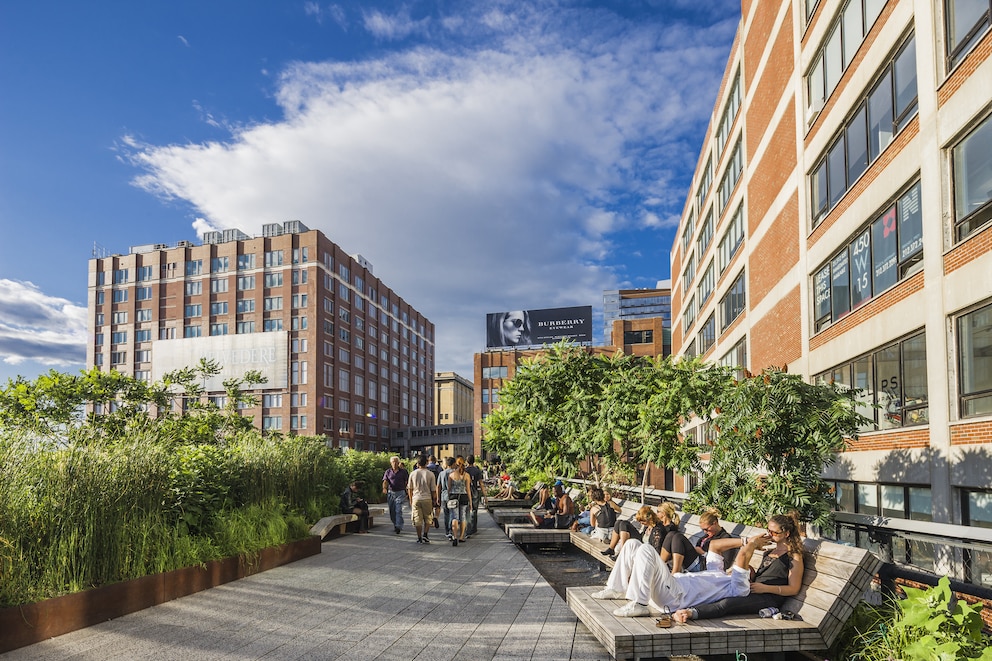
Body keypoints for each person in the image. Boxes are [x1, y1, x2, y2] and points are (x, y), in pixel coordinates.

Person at [592, 513, 805, 619]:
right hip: (671, 584)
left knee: (647, 551)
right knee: (631, 544)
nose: (752, 570)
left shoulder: (737, 587)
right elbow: (715, 545)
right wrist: (745, 540)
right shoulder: (718, 573)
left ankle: (637, 602)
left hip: (674, 596)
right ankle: (617, 589)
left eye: (774, 533)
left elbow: (742, 560)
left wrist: (750, 546)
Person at [673, 513, 806, 622]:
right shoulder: (769, 551)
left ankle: (690, 613)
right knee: (718, 591)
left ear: (786, 534)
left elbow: (793, 589)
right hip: (754, 589)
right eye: (768, 530)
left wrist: (765, 588)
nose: (770, 535)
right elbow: (764, 574)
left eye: (774, 533)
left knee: (728, 603)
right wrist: (750, 572)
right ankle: (683, 605)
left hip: (769, 598)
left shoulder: (793, 556)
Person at [660, 507, 734, 573]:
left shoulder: (725, 538)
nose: (705, 532)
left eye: (707, 529)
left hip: (704, 567)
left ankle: (675, 574)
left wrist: (703, 553)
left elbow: (725, 565)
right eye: (703, 530)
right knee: (671, 534)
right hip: (694, 561)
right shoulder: (707, 536)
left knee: (678, 537)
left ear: (715, 523)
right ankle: (659, 566)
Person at [407, 455, 438, 544]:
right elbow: (433, 489)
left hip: (416, 498)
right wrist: (435, 499)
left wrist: (410, 499)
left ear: (417, 463)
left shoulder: (413, 474)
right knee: (428, 518)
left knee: (417, 519)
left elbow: (409, 488)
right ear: (427, 463)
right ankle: (425, 534)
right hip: (427, 498)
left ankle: (419, 537)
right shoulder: (430, 474)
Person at [446, 457, 473, 546]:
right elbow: (468, 489)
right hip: (464, 496)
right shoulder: (466, 475)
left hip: (454, 496)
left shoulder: (451, 475)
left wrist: (448, 498)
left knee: (454, 517)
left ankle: (455, 536)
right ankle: (461, 536)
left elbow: (449, 488)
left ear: (456, 464)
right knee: (463, 517)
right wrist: (470, 502)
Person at [382, 456, 410, 535]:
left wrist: (408, 492)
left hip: (400, 492)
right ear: (391, 463)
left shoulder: (403, 471)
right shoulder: (388, 471)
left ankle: (399, 526)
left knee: (398, 509)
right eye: (393, 462)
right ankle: (395, 524)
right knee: (392, 511)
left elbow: (407, 482)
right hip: (391, 493)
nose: (394, 463)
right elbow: (385, 481)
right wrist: (384, 488)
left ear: (398, 463)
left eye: (396, 462)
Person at [437, 456, 456, 539]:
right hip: (453, 495)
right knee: (453, 513)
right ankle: (452, 530)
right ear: (454, 463)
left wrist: (438, 497)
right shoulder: (456, 473)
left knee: (446, 514)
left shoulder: (442, 473)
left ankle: (447, 531)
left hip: (444, 495)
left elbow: (438, 486)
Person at [466, 455, 485, 536]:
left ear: (467, 462)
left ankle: (467, 527)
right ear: (474, 462)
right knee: (474, 510)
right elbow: (481, 483)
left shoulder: (464, 470)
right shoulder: (477, 471)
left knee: (466, 510)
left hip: (466, 492)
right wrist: (485, 495)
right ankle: (474, 528)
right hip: (474, 491)